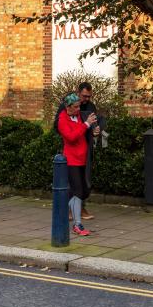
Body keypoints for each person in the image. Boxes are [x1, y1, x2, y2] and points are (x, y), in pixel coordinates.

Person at [54, 82, 102, 220]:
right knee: (77, 189)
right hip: (72, 157)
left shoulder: (82, 113)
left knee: (84, 188)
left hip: (83, 156)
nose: (79, 108)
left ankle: (76, 211)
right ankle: (73, 214)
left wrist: (94, 131)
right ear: (68, 107)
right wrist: (86, 124)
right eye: (76, 106)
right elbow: (71, 136)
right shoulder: (63, 118)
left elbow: (87, 129)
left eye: (79, 106)